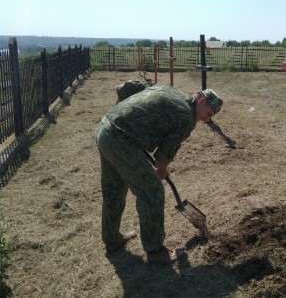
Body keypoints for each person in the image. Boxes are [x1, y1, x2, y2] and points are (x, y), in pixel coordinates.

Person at [95, 83, 223, 264]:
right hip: (122, 141)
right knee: (152, 192)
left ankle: (112, 239)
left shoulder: (171, 90)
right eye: (208, 114)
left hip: (105, 128)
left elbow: (127, 88)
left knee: (114, 189)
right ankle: (155, 251)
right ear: (201, 100)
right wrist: (161, 170)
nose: (206, 119)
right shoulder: (187, 117)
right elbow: (163, 155)